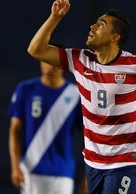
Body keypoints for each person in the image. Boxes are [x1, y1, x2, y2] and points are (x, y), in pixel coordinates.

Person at [27, 0, 136, 194]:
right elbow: (35, 50)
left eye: (101, 24)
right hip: (93, 160)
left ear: (115, 37)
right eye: (95, 22)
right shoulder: (79, 59)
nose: (92, 26)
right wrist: (55, 17)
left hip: (125, 159)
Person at [8, 61, 85, 194]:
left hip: (63, 172)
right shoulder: (26, 89)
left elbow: (87, 137)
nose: (46, 65)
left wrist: (88, 175)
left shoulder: (75, 95)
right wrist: (15, 166)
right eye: (43, 60)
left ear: (62, 65)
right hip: (30, 169)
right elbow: (15, 131)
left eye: (50, 61)